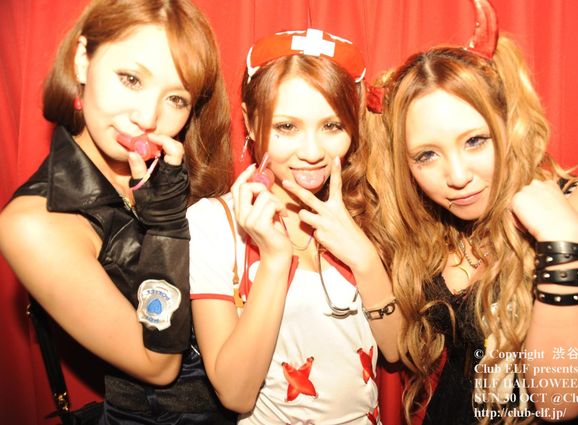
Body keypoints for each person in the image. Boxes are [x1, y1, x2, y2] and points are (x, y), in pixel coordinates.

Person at [364, 0, 578, 423]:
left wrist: (560, 240)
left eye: (475, 141)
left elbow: (560, 401)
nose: (456, 176)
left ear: (509, 125)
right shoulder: (431, 223)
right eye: (427, 155)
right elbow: (399, 349)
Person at [0, 0, 236, 423]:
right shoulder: (33, 225)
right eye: (131, 79)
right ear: (82, 60)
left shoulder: (170, 168)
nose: (148, 117)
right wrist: (165, 226)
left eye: (176, 98)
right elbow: (158, 366)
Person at [188, 28, 402, 424]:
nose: (312, 152)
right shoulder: (214, 223)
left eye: (332, 126)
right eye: (287, 127)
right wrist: (274, 260)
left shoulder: (369, 211)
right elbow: (234, 393)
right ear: (251, 122)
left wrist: (365, 259)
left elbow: (396, 350)